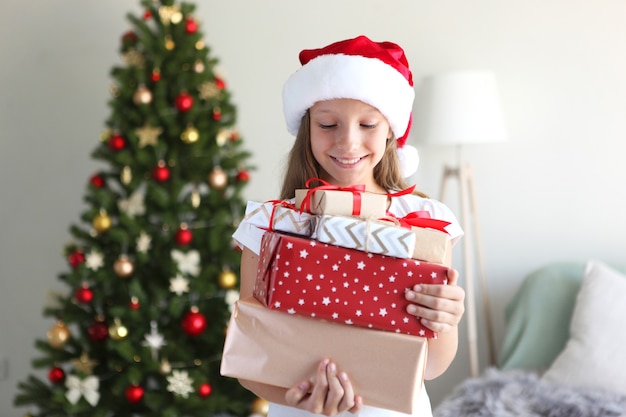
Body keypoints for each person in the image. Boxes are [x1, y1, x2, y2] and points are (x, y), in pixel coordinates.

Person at [232, 35, 465, 417]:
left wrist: (446, 320)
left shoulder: (424, 220)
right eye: (327, 124)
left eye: (368, 124)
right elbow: (252, 352)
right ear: (307, 128)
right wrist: (295, 395)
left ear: (391, 129)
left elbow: (433, 365)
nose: (348, 141)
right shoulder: (270, 224)